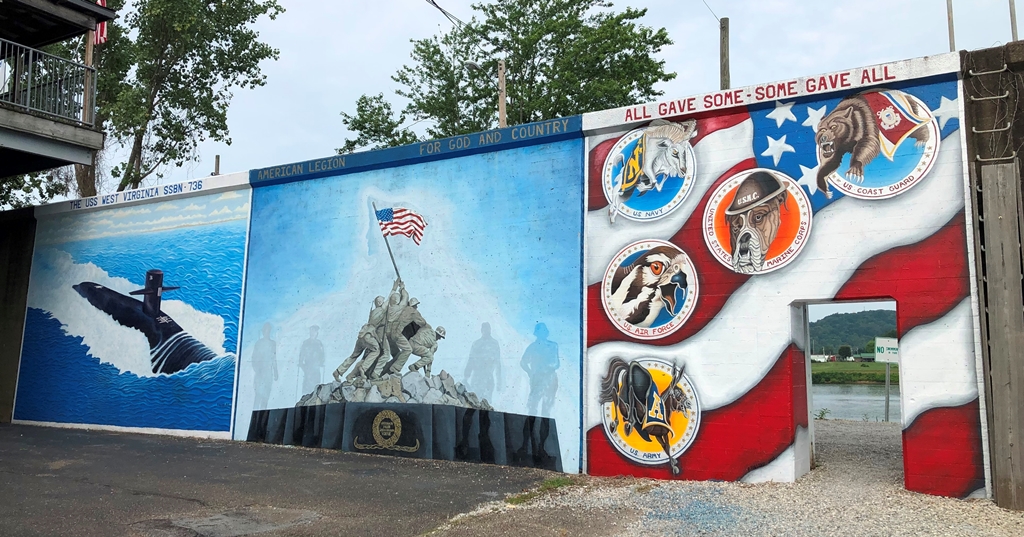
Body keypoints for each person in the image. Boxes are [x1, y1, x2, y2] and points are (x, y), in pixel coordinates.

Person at [334, 295, 387, 382]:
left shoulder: (372, 311)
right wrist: (395, 288)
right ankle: (363, 368)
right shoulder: (381, 310)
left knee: (354, 355)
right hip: (369, 336)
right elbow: (388, 300)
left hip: (362, 335)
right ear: (380, 302)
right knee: (376, 350)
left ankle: (338, 371)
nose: (384, 302)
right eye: (382, 301)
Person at [520, 322, 559, 417]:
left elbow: (557, 364)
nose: (544, 333)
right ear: (537, 333)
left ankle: (544, 431)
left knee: (546, 410)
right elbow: (523, 362)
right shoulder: (532, 347)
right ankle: (531, 430)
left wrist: (545, 368)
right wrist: (530, 372)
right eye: (541, 331)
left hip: (550, 379)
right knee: (532, 407)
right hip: (537, 380)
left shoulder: (553, 345)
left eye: (544, 331)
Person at [464, 322, 501, 401]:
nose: (486, 331)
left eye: (487, 329)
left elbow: (498, 362)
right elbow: (470, 360)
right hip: (477, 379)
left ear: (490, 330)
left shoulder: (494, 344)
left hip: (488, 378)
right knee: (475, 402)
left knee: (486, 405)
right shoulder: (476, 344)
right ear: (481, 330)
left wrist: (499, 381)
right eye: (484, 329)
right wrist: (466, 376)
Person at [251, 322, 278, 409]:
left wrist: (275, 370)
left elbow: (274, 358)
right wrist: (257, 369)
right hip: (260, 372)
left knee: (266, 396)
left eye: (268, 330)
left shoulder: (273, 343)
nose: (267, 332)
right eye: (265, 330)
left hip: (268, 373)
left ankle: (263, 416)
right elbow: (254, 358)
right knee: (258, 395)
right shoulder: (258, 343)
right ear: (263, 331)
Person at [298, 325, 325, 393]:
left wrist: (321, 363)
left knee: (315, 388)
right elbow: (301, 355)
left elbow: (322, 356)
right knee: (306, 389)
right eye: (311, 330)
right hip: (307, 368)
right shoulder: (305, 343)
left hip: (316, 369)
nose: (312, 332)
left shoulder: (319, 343)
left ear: (317, 333)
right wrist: (302, 365)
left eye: (314, 331)